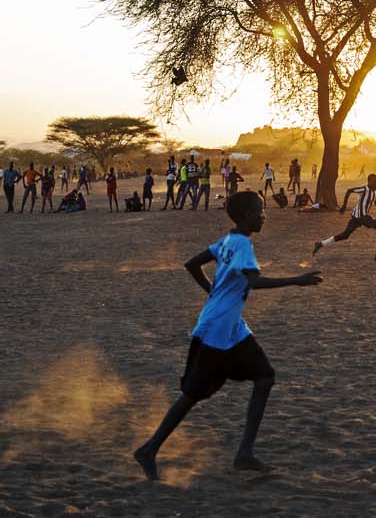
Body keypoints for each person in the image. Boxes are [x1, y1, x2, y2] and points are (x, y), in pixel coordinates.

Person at [133, 191, 322, 480]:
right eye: (260, 210)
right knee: (192, 395)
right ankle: (149, 449)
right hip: (218, 330)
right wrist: (298, 280)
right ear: (246, 216)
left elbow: (192, 264)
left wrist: (214, 293)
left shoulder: (227, 240)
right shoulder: (242, 244)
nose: (264, 215)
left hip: (231, 327)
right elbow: (254, 282)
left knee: (265, 377)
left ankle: (244, 453)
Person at [313, 174, 376, 262]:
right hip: (362, 216)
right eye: (374, 182)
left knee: (345, 235)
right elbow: (349, 191)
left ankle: (320, 244)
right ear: (369, 181)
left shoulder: (375, 191)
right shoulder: (364, 189)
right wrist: (344, 206)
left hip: (357, 217)